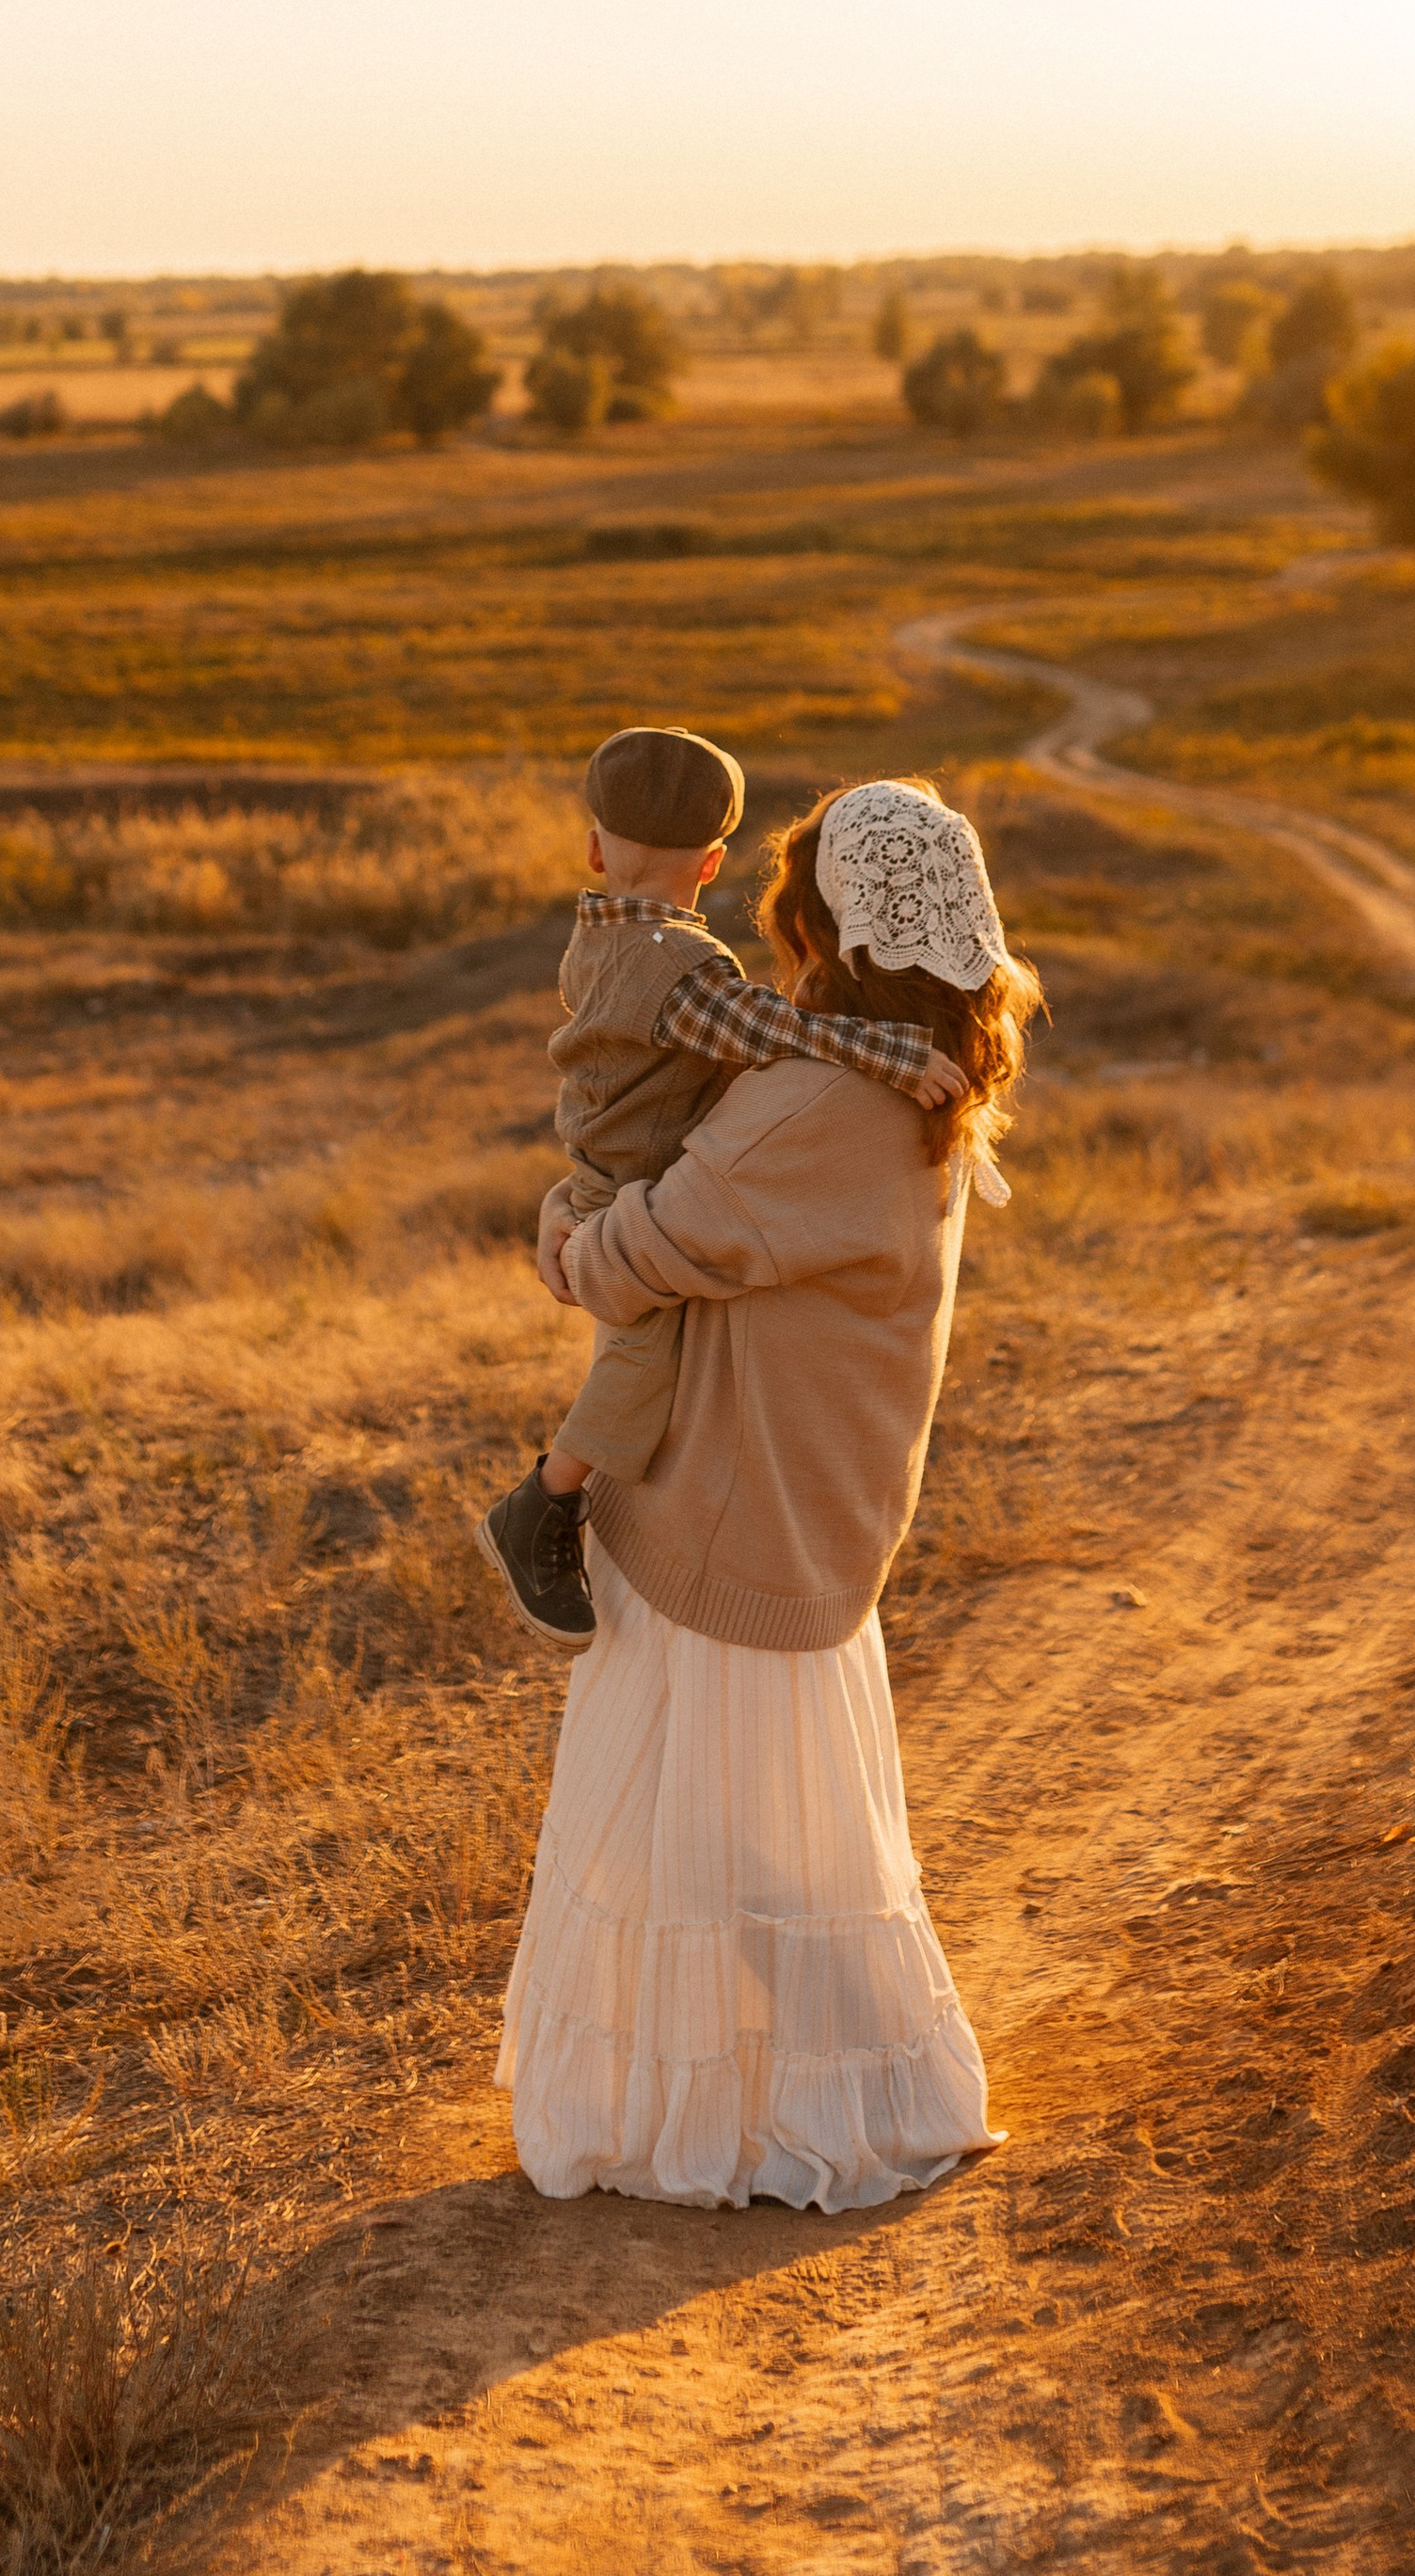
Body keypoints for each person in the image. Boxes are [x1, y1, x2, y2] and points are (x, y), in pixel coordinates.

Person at [498, 776, 1044, 2212]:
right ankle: (783, 2092)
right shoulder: (920, 1084)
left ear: (829, 927)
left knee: (728, 1841)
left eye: (790, 915)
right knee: (763, 1835)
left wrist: (559, 1221)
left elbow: (628, 1254)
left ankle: (776, 2114)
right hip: (817, 1508)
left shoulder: (814, 1103)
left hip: (730, 1512)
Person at [477, 725, 967, 1650]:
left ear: (592, 848)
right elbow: (753, 1036)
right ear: (711, 865)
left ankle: (544, 1502)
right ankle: (541, 1504)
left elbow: (628, 1236)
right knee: (634, 1363)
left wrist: (578, 1216)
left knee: (630, 1360)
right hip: (768, 1530)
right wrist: (888, 1051)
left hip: (742, 1523)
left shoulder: (608, 943)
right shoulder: (676, 966)